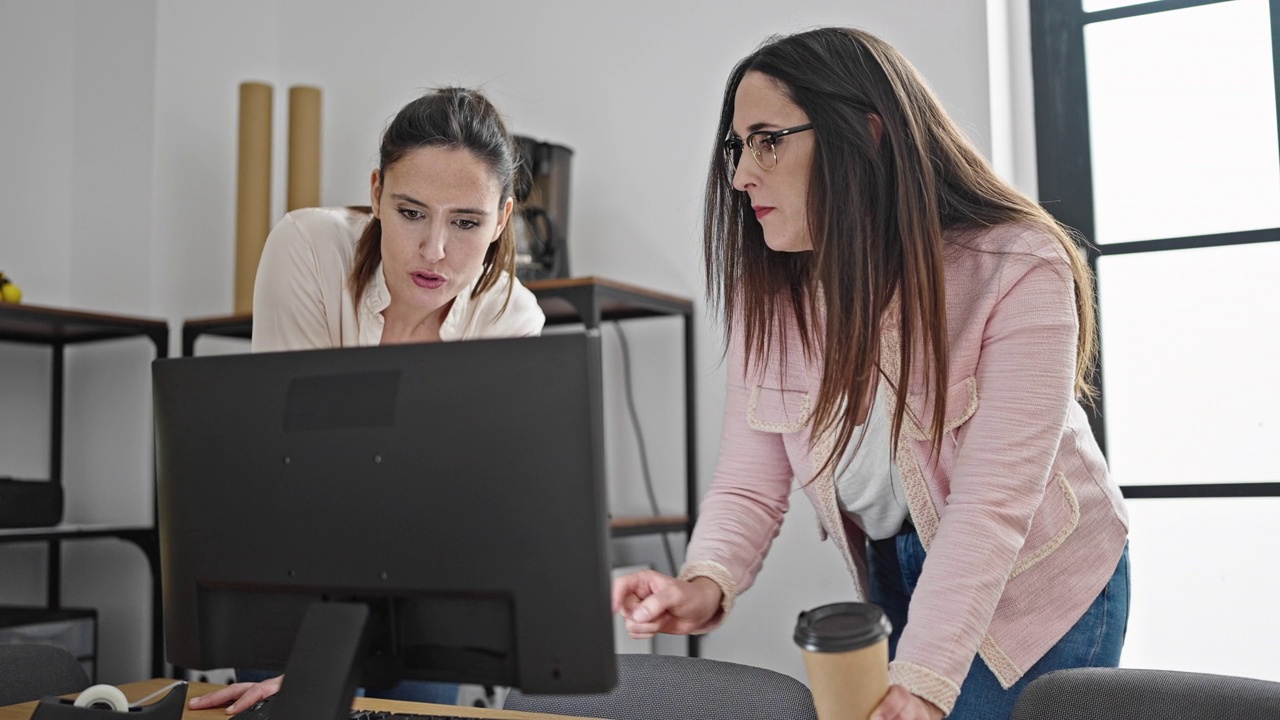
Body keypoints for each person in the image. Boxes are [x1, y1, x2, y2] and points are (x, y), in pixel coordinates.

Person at [612, 27, 1129, 720]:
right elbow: (748, 481)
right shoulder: (772, 296)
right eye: (737, 147)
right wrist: (703, 583)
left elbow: (990, 506)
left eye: (767, 140)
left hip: (1033, 580)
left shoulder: (1018, 265)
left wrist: (921, 680)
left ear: (867, 135)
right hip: (898, 569)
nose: (739, 175)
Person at [189, 86, 544, 714]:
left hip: (427, 590)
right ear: (377, 192)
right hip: (293, 570)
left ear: (501, 220)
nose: (434, 249)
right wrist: (321, 666)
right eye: (411, 212)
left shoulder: (512, 317)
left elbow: (460, 510)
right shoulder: (309, 248)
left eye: (465, 222)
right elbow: (297, 467)